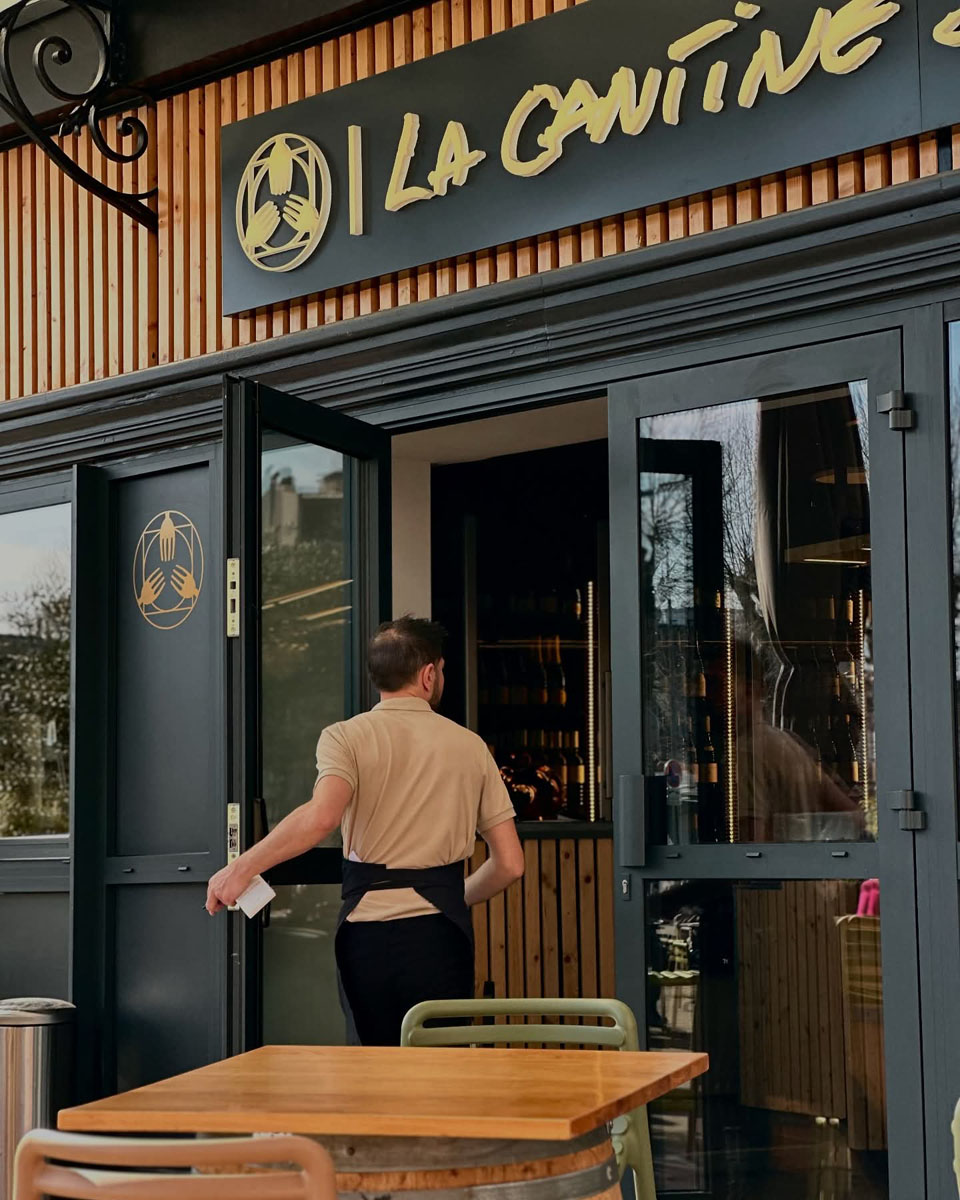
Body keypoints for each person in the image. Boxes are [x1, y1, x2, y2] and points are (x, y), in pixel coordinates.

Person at [206, 616, 525, 1045]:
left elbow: (321, 817)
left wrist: (240, 868)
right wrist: (448, 893)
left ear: (377, 675)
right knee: (440, 1068)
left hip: (365, 932)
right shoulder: (470, 746)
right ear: (429, 675)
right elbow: (510, 864)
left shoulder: (345, 737)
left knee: (371, 1067)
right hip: (439, 933)